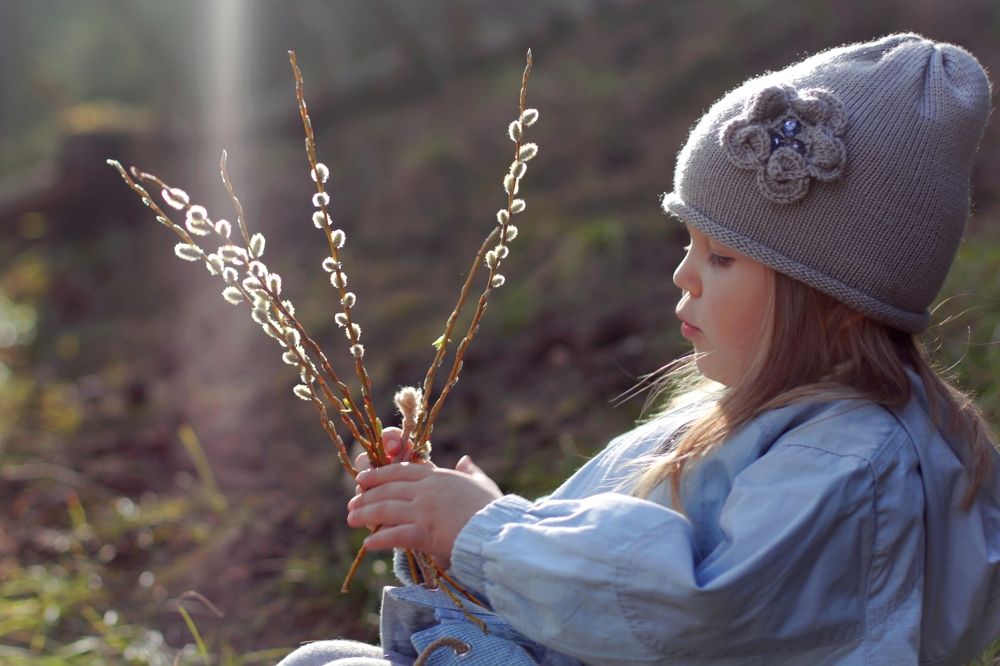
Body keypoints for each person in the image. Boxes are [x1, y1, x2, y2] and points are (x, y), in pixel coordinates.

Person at [278, 33, 1000, 665]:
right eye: (690, 243)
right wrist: (448, 528)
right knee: (321, 658)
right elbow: (606, 574)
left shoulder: (851, 468)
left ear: (837, 303)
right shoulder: (752, 418)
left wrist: (484, 532)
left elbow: (690, 609)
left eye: (722, 259)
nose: (682, 273)